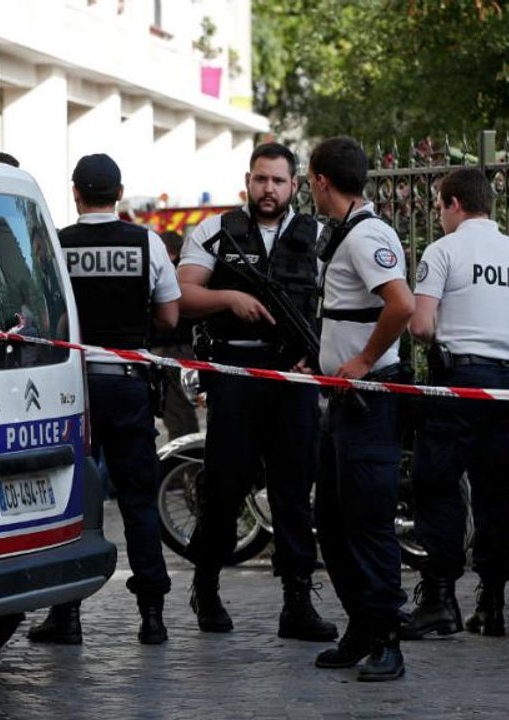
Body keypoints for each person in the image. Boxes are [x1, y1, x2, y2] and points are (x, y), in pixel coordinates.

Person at [175, 142, 334, 641]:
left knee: (292, 490)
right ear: (248, 180)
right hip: (236, 372)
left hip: (294, 375)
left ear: (295, 186)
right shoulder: (216, 231)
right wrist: (230, 298)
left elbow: (341, 302)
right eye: (261, 180)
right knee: (224, 487)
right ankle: (207, 585)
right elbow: (182, 296)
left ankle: (297, 602)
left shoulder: (320, 236)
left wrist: (323, 352)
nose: (269, 189)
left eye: (279, 181)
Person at [26, 153, 180, 645]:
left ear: (75, 193)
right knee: (138, 499)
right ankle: (152, 615)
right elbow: (171, 318)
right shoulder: (145, 242)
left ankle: (65, 614)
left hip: (72, 389)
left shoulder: (54, 244)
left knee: (71, 501)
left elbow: (42, 315)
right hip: (129, 382)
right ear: (118, 193)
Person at [401, 167, 509, 639]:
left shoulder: (443, 251)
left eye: (439, 206)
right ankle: (492, 603)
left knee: (437, 484)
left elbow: (421, 326)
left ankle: (441, 598)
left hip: (457, 382)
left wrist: (447, 333)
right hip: (506, 386)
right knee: (493, 492)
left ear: (453, 204)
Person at [307, 136, 414, 682]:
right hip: (344, 403)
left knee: (368, 523)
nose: (310, 187)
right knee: (332, 520)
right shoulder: (345, 233)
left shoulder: (368, 234)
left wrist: (364, 362)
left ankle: (388, 640)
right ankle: (361, 627)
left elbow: (403, 305)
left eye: (309, 179)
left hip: (370, 401)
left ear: (321, 179)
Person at [152, 230, 199, 440]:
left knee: (178, 414)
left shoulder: (171, 272)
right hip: (186, 352)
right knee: (185, 411)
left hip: (174, 352)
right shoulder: (191, 274)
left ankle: (185, 466)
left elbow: (167, 318)